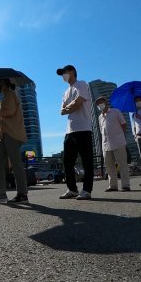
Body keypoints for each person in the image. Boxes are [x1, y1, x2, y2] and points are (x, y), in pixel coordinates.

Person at [0, 78, 28, 204]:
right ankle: (1, 194)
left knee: (16, 164)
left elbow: (8, 112)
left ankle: (22, 194)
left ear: (4, 83)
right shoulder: (5, 97)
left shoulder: (10, 94)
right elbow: (2, 116)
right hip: (5, 135)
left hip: (12, 134)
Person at [57, 65, 94, 200]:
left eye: (64, 73)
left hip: (84, 128)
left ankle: (86, 190)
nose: (63, 76)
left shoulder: (81, 84)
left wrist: (68, 107)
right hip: (69, 130)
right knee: (67, 161)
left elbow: (78, 103)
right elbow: (61, 111)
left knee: (87, 161)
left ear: (72, 71)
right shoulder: (65, 92)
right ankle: (72, 189)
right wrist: (69, 107)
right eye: (62, 74)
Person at [95, 97, 130, 192]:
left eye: (101, 102)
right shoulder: (100, 117)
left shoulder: (115, 111)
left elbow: (124, 124)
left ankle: (125, 185)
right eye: (98, 104)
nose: (99, 105)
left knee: (122, 164)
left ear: (106, 102)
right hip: (106, 144)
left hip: (118, 142)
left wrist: (121, 136)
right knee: (109, 166)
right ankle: (113, 185)